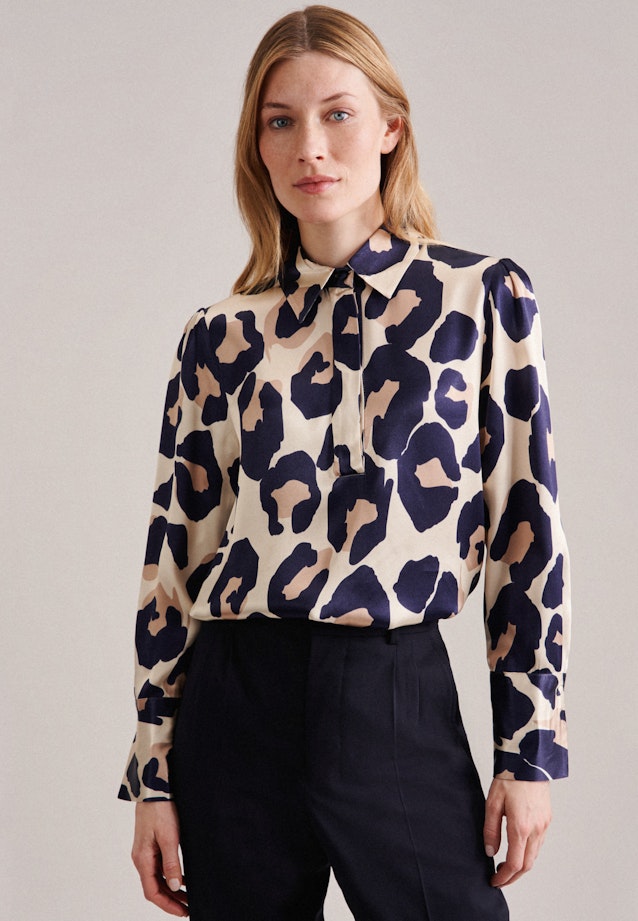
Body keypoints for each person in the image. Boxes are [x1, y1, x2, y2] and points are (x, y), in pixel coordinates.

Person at [119, 6, 570, 920]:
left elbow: (527, 534)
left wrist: (528, 752)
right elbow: (175, 559)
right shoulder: (220, 336)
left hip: (390, 693)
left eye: (338, 114)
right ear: (257, 146)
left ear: (391, 127)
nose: (310, 148)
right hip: (235, 701)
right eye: (280, 121)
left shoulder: (478, 299)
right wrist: (153, 774)